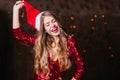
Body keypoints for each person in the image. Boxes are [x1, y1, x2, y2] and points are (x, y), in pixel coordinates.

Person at [12, 0, 85, 80]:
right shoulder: (40, 42)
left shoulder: (70, 43)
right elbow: (18, 35)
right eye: (48, 24)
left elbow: (81, 67)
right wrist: (15, 10)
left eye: (54, 21)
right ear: (45, 30)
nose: (53, 25)